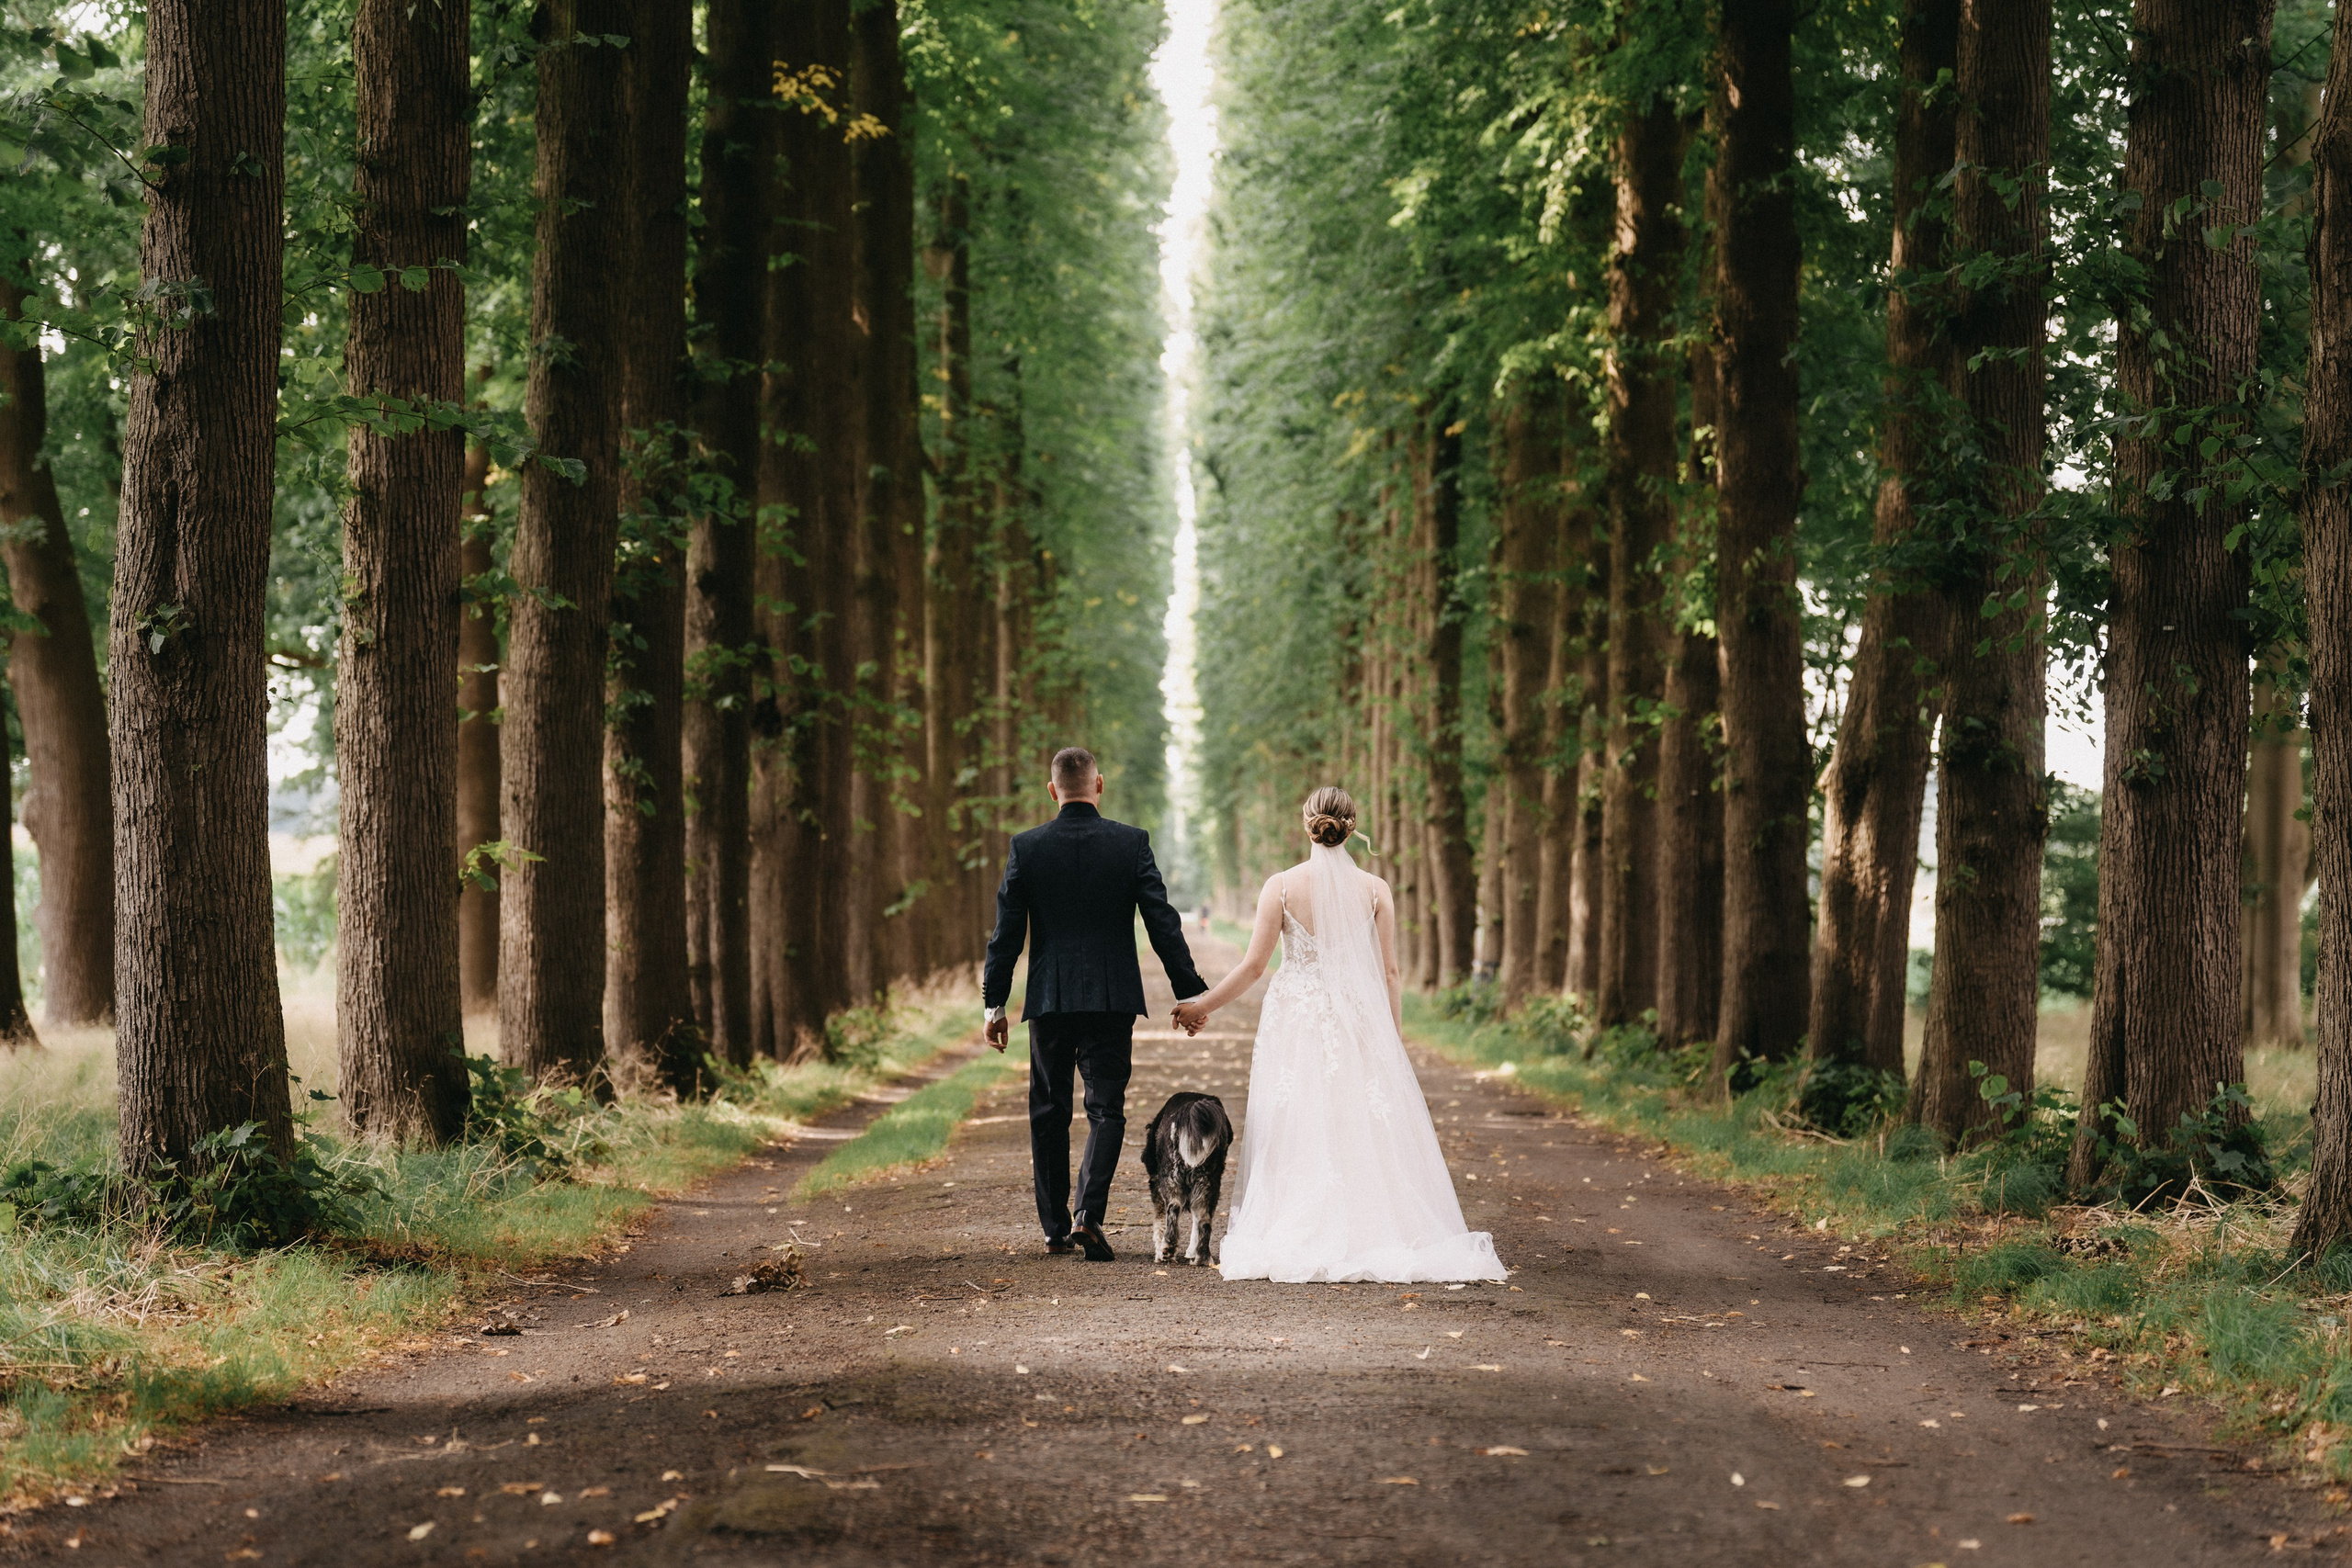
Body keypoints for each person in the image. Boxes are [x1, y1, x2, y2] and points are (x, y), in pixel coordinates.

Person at [1171, 785, 1505, 1283]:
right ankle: (1368, 1227)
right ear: (1350, 828)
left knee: (1299, 1118)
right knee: (1357, 1119)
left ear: (1306, 822)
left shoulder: (1280, 886)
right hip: (1357, 1017)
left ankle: (1300, 1222)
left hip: (1297, 1019)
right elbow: (1390, 973)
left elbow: (1253, 967)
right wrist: (1392, 1039)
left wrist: (1202, 1004)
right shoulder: (1375, 889)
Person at [983, 747, 1206, 1261]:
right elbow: (1161, 921)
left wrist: (995, 1004)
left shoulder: (1027, 847)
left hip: (1049, 998)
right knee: (1107, 1110)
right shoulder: (1131, 843)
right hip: (1111, 998)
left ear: (1052, 789)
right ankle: (1089, 1213)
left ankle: (1054, 1228)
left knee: (1048, 1110)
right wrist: (1188, 991)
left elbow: (1006, 935)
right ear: (1099, 785)